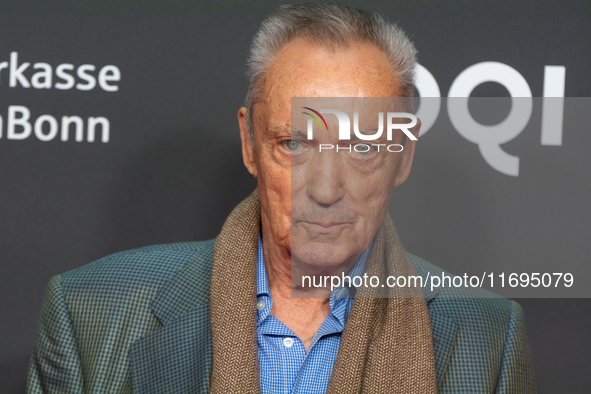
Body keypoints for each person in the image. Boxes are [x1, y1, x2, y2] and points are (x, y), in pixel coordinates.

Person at [27, 3, 535, 393]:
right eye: (294, 144)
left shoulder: (486, 338)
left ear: (403, 157)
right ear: (250, 144)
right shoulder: (90, 314)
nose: (325, 190)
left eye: (362, 148)